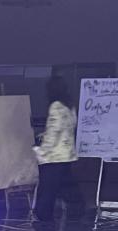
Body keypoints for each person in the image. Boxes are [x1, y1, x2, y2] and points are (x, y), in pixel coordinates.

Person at [33, 75, 85, 222]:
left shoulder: (55, 106)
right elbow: (69, 127)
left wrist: (41, 151)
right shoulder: (69, 106)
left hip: (53, 157)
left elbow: (53, 132)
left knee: (47, 189)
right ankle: (78, 212)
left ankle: (43, 219)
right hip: (67, 154)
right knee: (67, 187)